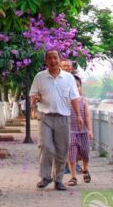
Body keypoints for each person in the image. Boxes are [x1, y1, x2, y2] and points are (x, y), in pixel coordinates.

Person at [30, 49, 83, 191]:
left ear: (59, 59)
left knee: (61, 150)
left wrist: (78, 115)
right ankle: (45, 177)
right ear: (46, 61)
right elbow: (33, 95)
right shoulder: (40, 77)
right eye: (50, 58)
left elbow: (74, 98)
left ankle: (58, 180)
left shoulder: (68, 78)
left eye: (55, 58)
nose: (53, 61)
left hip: (63, 118)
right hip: (45, 117)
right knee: (46, 146)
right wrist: (35, 99)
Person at [67, 75, 93, 186]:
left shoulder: (83, 101)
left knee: (85, 153)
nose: (76, 88)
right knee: (72, 157)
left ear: (80, 87)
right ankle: (73, 177)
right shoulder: (65, 101)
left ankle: (85, 168)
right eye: (73, 86)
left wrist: (90, 130)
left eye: (77, 86)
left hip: (83, 133)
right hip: (70, 133)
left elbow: (87, 116)